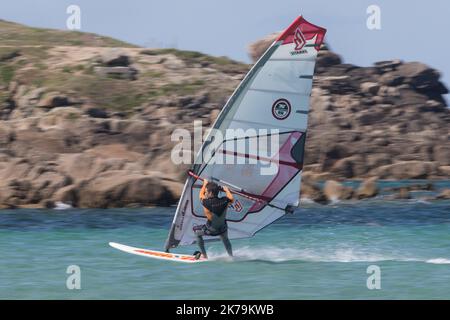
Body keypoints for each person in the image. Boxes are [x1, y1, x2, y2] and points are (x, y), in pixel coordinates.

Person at [193, 179, 234, 259]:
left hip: (211, 230)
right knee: (225, 239)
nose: (205, 193)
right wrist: (226, 190)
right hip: (223, 229)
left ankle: (205, 256)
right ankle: (231, 256)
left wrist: (204, 184)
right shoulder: (225, 200)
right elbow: (231, 198)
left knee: (196, 231)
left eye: (206, 191)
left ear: (211, 193)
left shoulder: (206, 202)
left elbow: (200, 195)